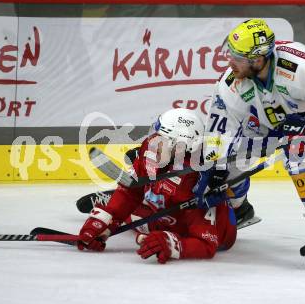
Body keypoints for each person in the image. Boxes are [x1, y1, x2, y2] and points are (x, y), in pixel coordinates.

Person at [202, 18, 305, 269]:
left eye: (238, 57)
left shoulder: (299, 64)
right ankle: (240, 210)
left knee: (298, 152)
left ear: (258, 59)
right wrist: (215, 165)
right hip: (265, 129)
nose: (231, 62)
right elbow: (221, 128)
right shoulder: (231, 82)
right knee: (227, 162)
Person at [77, 108, 237, 264]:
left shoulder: (197, 182)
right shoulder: (152, 151)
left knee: (139, 218)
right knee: (136, 208)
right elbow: (131, 191)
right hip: (166, 216)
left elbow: (206, 244)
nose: (153, 143)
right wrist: (104, 221)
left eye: (162, 140)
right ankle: (140, 199)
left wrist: (172, 244)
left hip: (201, 231)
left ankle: (242, 211)